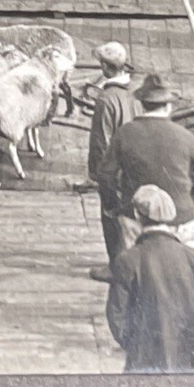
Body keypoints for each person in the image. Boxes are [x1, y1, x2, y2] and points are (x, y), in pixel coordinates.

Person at [97, 74, 194, 254]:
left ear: (142, 104)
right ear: (168, 106)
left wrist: (115, 206)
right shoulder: (182, 135)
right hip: (180, 218)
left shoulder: (125, 133)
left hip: (138, 217)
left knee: (137, 269)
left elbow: (105, 175)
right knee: (191, 267)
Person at [105, 184, 194, 373]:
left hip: (145, 360)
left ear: (137, 216)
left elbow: (117, 316)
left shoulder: (128, 261)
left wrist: (137, 346)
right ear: (171, 217)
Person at [85, 42, 138, 281]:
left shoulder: (106, 99)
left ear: (106, 68)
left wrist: (98, 174)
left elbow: (101, 142)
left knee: (111, 216)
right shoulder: (132, 94)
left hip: (113, 170)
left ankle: (116, 268)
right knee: (130, 217)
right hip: (132, 167)